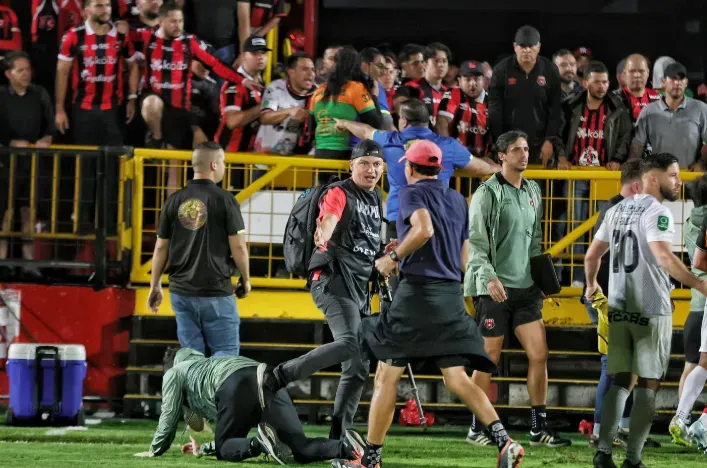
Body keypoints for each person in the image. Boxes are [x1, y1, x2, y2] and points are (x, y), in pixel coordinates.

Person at [347, 140, 524, 468]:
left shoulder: (409, 193)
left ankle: (370, 459)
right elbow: (461, 255)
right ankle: (505, 441)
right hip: (449, 293)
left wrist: (393, 257)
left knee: (387, 374)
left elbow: (425, 229)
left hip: (417, 295)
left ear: (410, 168)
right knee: (456, 377)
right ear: (440, 169)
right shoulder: (457, 199)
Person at [585, 153, 707, 468]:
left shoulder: (617, 209)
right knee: (648, 386)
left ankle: (603, 453)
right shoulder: (658, 212)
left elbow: (591, 255)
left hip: (619, 307)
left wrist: (590, 285)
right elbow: (665, 259)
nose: (679, 182)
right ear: (653, 178)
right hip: (650, 307)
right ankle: (634, 459)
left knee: (622, 381)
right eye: (673, 175)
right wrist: (701, 285)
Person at [258, 140, 385, 440]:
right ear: (351, 166)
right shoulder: (338, 192)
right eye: (365, 163)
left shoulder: (376, 197)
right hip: (331, 278)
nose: (371, 169)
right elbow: (329, 218)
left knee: (358, 366)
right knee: (351, 343)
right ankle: (278, 376)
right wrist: (324, 231)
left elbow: (370, 241)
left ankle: (338, 439)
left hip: (360, 286)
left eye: (377, 164)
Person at [334, 98, 498, 306]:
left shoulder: (390, 139)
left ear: (403, 121)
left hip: (399, 220)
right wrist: (497, 169)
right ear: (428, 120)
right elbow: (479, 168)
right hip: (439, 221)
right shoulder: (446, 145)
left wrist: (344, 123)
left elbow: (366, 132)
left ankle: (393, 320)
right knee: (437, 277)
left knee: (394, 283)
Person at [465, 130, 571, 448]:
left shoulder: (533, 190)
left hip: (525, 288)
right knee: (488, 359)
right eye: (516, 150)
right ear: (501, 156)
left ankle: (539, 427)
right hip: (494, 287)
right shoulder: (487, 193)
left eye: (526, 148)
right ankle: (476, 427)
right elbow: (476, 242)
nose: (524, 154)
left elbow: (535, 239)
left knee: (539, 354)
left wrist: (541, 279)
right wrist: (489, 277)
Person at [134, 347, 366, 463]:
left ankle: (259, 442)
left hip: (236, 385)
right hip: (267, 377)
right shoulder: (209, 364)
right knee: (302, 449)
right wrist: (205, 448)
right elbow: (233, 426)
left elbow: (169, 413)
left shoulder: (174, 372)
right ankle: (348, 448)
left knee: (226, 450)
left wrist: (156, 449)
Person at [147, 142, 250, 357]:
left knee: (191, 358)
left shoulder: (173, 201)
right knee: (226, 357)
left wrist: (155, 285)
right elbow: (238, 247)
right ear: (214, 164)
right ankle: (217, 391)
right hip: (216, 291)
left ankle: (195, 391)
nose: (224, 167)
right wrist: (246, 279)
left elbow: (160, 247)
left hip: (181, 293)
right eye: (222, 162)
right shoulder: (225, 200)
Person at [580, 160, 644, 446]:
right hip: (607, 297)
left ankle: (621, 428)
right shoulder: (618, 211)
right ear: (636, 185)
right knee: (614, 362)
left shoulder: (618, 208)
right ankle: (601, 429)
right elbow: (598, 258)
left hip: (617, 296)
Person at [0, 51, 55, 276]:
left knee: (28, 213)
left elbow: (50, 125)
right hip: (5, 163)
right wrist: (11, 142)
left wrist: (46, 139)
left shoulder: (39, 93)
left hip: (33, 163)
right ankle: (2, 261)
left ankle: (29, 263)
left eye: (28, 69)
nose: (26, 74)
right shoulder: (1, 96)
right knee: (4, 214)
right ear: (8, 74)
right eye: (20, 70)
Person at [488, 26, 562, 166]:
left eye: (531, 46)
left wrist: (549, 140)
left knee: (535, 187)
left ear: (538, 47)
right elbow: (494, 111)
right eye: (522, 46)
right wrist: (501, 144)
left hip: (539, 145)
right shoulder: (501, 70)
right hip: (509, 144)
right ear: (515, 47)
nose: (526, 50)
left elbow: (555, 109)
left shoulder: (550, 69)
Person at [670, 175, 707, 447]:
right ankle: (697, 425)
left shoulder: (691, 220)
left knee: (694, 366)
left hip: (697, 307)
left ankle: (681, 418)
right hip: (703, 300)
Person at [309, 46, 382, 184]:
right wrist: (374, 96)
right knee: (344, 202)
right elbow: (376, 122)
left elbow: (311, 125)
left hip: (320, 155)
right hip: (344, 155)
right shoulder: (355, 88)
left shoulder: (319, 91)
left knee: (326, 200)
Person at [629, 62, 707, 170]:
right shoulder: (648, 111)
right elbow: (637, 144)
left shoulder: (700, 109)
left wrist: (702, 163)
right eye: (673, 78)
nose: (677, 83)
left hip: (690, 180)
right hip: (659, 180)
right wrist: (634, 166)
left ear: (686, 83)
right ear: (663, 81)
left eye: (681, 79)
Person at [214, 36, 268, 155]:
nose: (260, 57)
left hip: (249, 153)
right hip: (229, 154)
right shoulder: (234, 84)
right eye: (254, 53)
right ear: (243, 56)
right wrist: (263, 107)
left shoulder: (262, 84)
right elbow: (232, 121)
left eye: (263, 53)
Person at [255, 52, 317, 156]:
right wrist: (289, 112)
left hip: (299, 161)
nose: (311, 73)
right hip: (266, 159)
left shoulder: (318, 94)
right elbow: (265, 118)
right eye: (305, 69)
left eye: (313, 69)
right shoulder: (276, 88)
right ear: (291, 72)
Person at [436, 60, 491, 158]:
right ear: (459, 81)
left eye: (476, 79)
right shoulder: (454, 93)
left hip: (483, 161)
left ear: (484, 80)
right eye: (468, 79)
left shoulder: (492, 101)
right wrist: (448, 152)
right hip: (456, 158)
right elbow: (442, 122)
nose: (472, 83)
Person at [403, 42, 451, 127]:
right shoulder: (411, 88)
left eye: (444, 61)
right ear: (425, 64)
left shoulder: (449, 93)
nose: (441, 65)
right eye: (436, 61)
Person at [614, 54, 660, 123]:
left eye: (641, 71)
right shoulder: (614, 98)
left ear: (647, 73)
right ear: (624, 74)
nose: (637, 75)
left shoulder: (659, 99)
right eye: (632, 71)